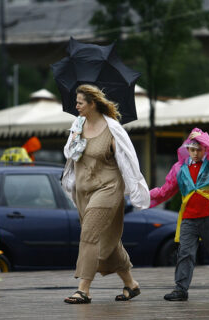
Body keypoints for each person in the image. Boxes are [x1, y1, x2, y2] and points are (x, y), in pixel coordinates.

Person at [61, 84, 150, 304]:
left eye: (80, 102)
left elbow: (128, 161)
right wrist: (74, 139)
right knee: (107, 239)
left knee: (89, 235)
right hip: (84, 191)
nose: (76, 106)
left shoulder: (112, 129)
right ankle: (131, 284)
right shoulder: (77, 125)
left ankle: (84, 289)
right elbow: (69, 154)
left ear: (92, 104)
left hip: (108, 188)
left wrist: (135, 190)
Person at [149, 128, 209, 301]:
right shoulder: (179, 168)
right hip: (188, 219)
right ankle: (180, 289)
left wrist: (202, 138)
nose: (195, 153)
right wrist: (144, 196)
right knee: (185, 253)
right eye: (192, 149)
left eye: (199, 149)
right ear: (187, 149)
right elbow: (165, 191)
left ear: (205, 149)